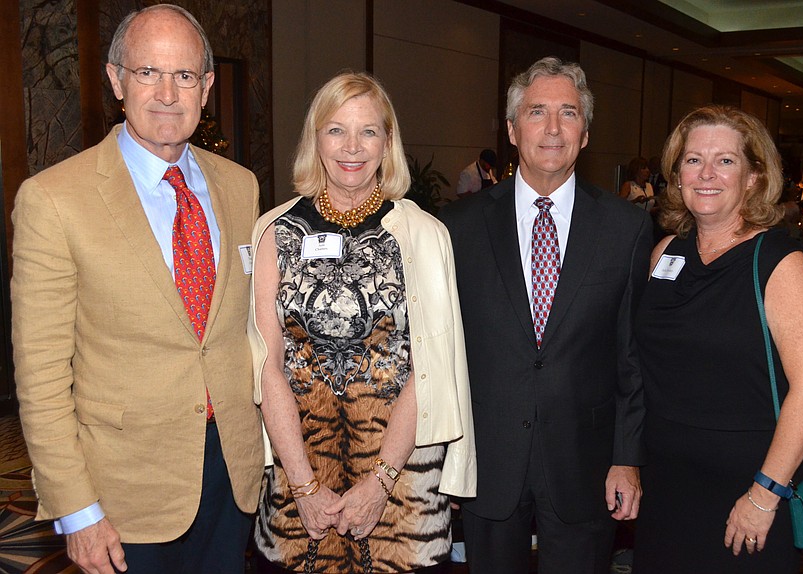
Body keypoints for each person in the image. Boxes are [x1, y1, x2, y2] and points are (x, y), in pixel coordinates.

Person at [10, 5, 265, 573]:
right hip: (123, 495)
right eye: (148, 72)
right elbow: (41, 375)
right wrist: (77, 510)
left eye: (185, 76)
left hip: (231, 478)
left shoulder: (240, 187)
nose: (168, 93)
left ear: (208, 87)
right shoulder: (54, 200)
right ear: (116, 80)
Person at [248, 71, 476, 573]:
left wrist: (381, 480)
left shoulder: (423, 234)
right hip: (298, 480)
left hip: (403, 485)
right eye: (336, 129)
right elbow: (267, 365)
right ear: (315, 138)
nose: (352, 147)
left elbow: (431, 365)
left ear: (387, 142)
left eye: (368, 131)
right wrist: (305, 487)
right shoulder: (274, 231)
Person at [438, 56, 652, 574]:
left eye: (568, 113)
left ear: (584, 133)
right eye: (537, 112)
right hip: (488, 460)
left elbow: (632, 355)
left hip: (586, 463)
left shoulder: (626, 228)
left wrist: (628, 457)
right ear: (513, 130)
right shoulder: (458, 227)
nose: (553, 128)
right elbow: (442, 350)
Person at [631, 105, 803, 573]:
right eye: (693, 159)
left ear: (754, 177)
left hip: (747, 490)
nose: (706, 173)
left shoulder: (781, 266)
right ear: (676, 174)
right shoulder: (665, 252)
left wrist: (764, 495)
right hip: (665, 486)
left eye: (725, 161)